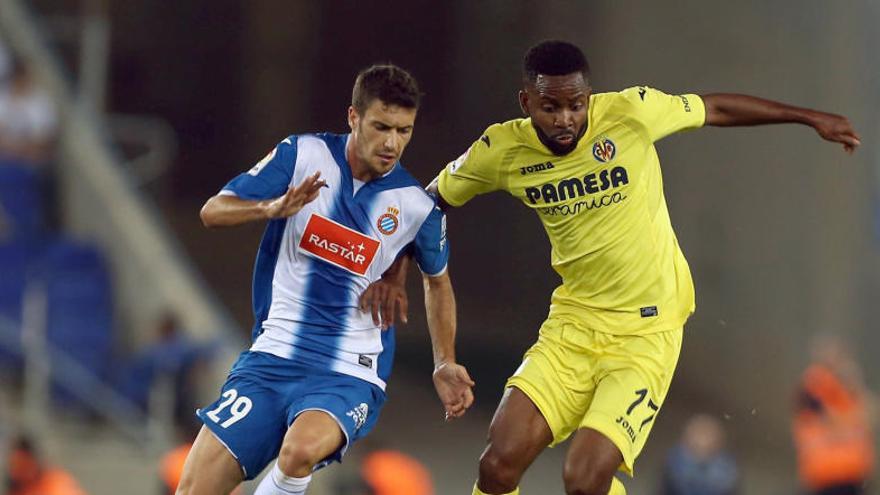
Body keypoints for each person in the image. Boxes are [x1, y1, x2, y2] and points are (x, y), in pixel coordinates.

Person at [366, 40, 861, 495]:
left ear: (589, 97)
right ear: (526, 103)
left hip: (646, 332)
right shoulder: (503, 149)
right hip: (574, 324)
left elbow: (714, 108)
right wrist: (394, 268)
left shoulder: (631, 113)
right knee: (497, 466)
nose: (565, 118)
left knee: (583, 479)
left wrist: (809, 117)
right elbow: (427, 202)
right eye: (550, 106)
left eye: (575, 104)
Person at [176, 64, 475, 495]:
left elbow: (439, 281)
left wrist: (444, 360)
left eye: (404, 131)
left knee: (299, 451)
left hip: (348, 371)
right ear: (353, 117)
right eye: (381, 126)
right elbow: (212, 211)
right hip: (271, 357)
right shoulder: (303, 155)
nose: (392, 143)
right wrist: (269, 209)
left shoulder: (415, 207)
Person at [792, 334, 875, 495]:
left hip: (852, 475)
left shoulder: (847, 390)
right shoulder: (814, 383)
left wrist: (856, 386)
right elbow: (832, 420)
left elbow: (870, 416)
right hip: (827, 475)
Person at [661, 414, 738, 495]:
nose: (702, 442)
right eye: (699, 435)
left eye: (707, 436)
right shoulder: (673, 466)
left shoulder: (727, 472)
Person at [6, 435, 87, 495]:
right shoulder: (17, 489)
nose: (16, 471)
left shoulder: (56, 482)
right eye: (14, 465)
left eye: (22, 464)